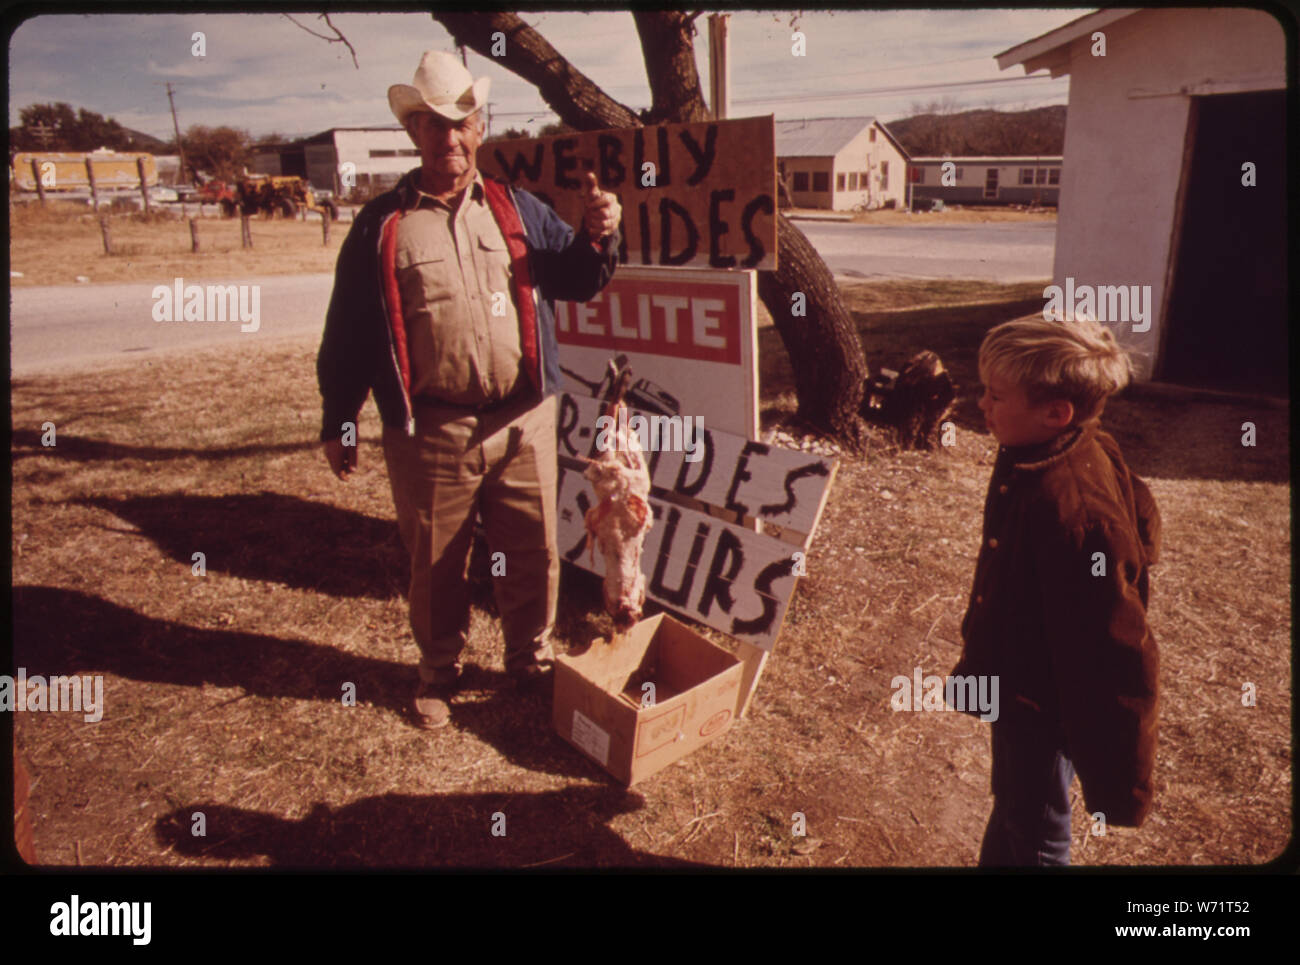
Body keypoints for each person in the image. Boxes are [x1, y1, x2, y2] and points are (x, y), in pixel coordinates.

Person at [317, 50, 621, 729]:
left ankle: (529, 657)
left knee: (534, 547)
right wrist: (339, 418)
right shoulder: (381, 225)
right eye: (433, 124)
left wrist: (599, 236)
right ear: (413, 131)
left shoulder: (517, 208)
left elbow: (574, 277)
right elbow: (350, 332)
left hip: (524, 419)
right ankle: (438, 672)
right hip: (431, 429)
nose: (449, 138)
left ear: (479, 127)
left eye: (462, 122)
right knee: (437, 558)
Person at [950, 315, 1161, 865]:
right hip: (1020, 681)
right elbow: (1144, 517)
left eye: (996, 396)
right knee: (1019, 806)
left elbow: (1117, 647)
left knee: (1040, 833)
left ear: (1055, 413)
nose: (982, 405)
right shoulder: (1053, 449)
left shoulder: (1074, 514)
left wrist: (1124, 782)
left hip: (1043, 703)